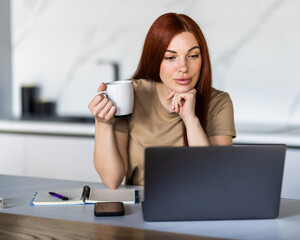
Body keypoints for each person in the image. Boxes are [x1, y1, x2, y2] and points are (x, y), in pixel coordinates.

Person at [88, 13, 236, 188]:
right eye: (170, 57)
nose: (183, 68)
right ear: (155, 59)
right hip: (141, 207)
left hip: (198, 205)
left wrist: (190, 119)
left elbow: (214, 180)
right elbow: (112, 180)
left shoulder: (218, 103)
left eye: (193, 55)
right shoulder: (130, 94)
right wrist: (102, 124)